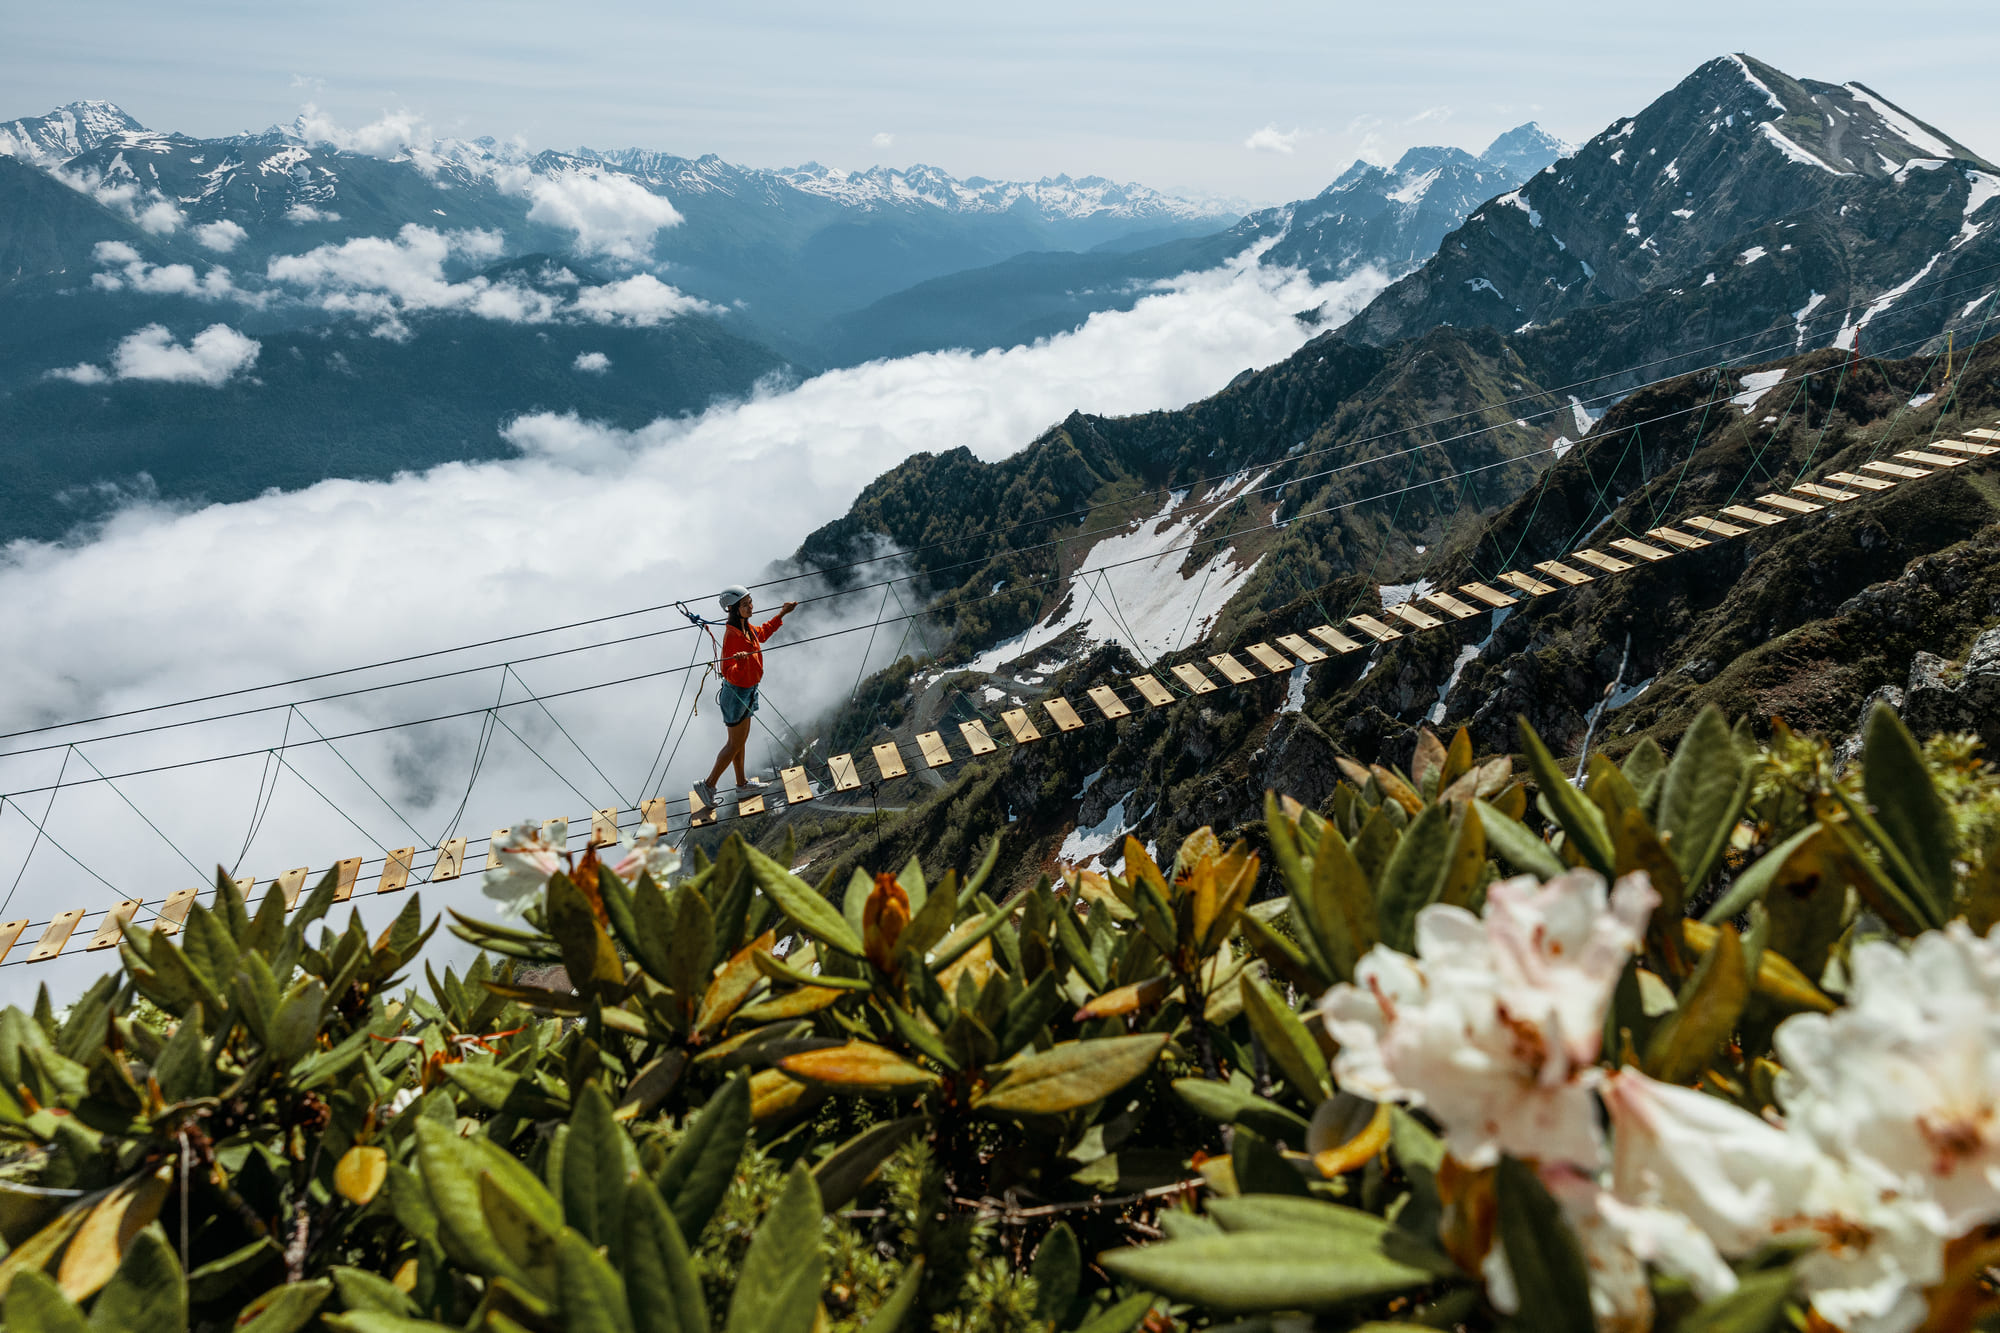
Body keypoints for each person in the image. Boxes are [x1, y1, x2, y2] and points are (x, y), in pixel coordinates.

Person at [695, 585, 797, 807]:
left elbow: (761, 633)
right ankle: (708, 785)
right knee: (734, 743)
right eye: (745, 604)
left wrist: (781, 614)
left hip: (747, 691)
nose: (751, 606)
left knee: (740, 741)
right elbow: (728, 672)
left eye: (750, 601)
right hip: (737, 694)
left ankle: (741, 784)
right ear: (733, 609)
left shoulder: (745, 627)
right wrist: (740, 664)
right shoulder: (732, 635)